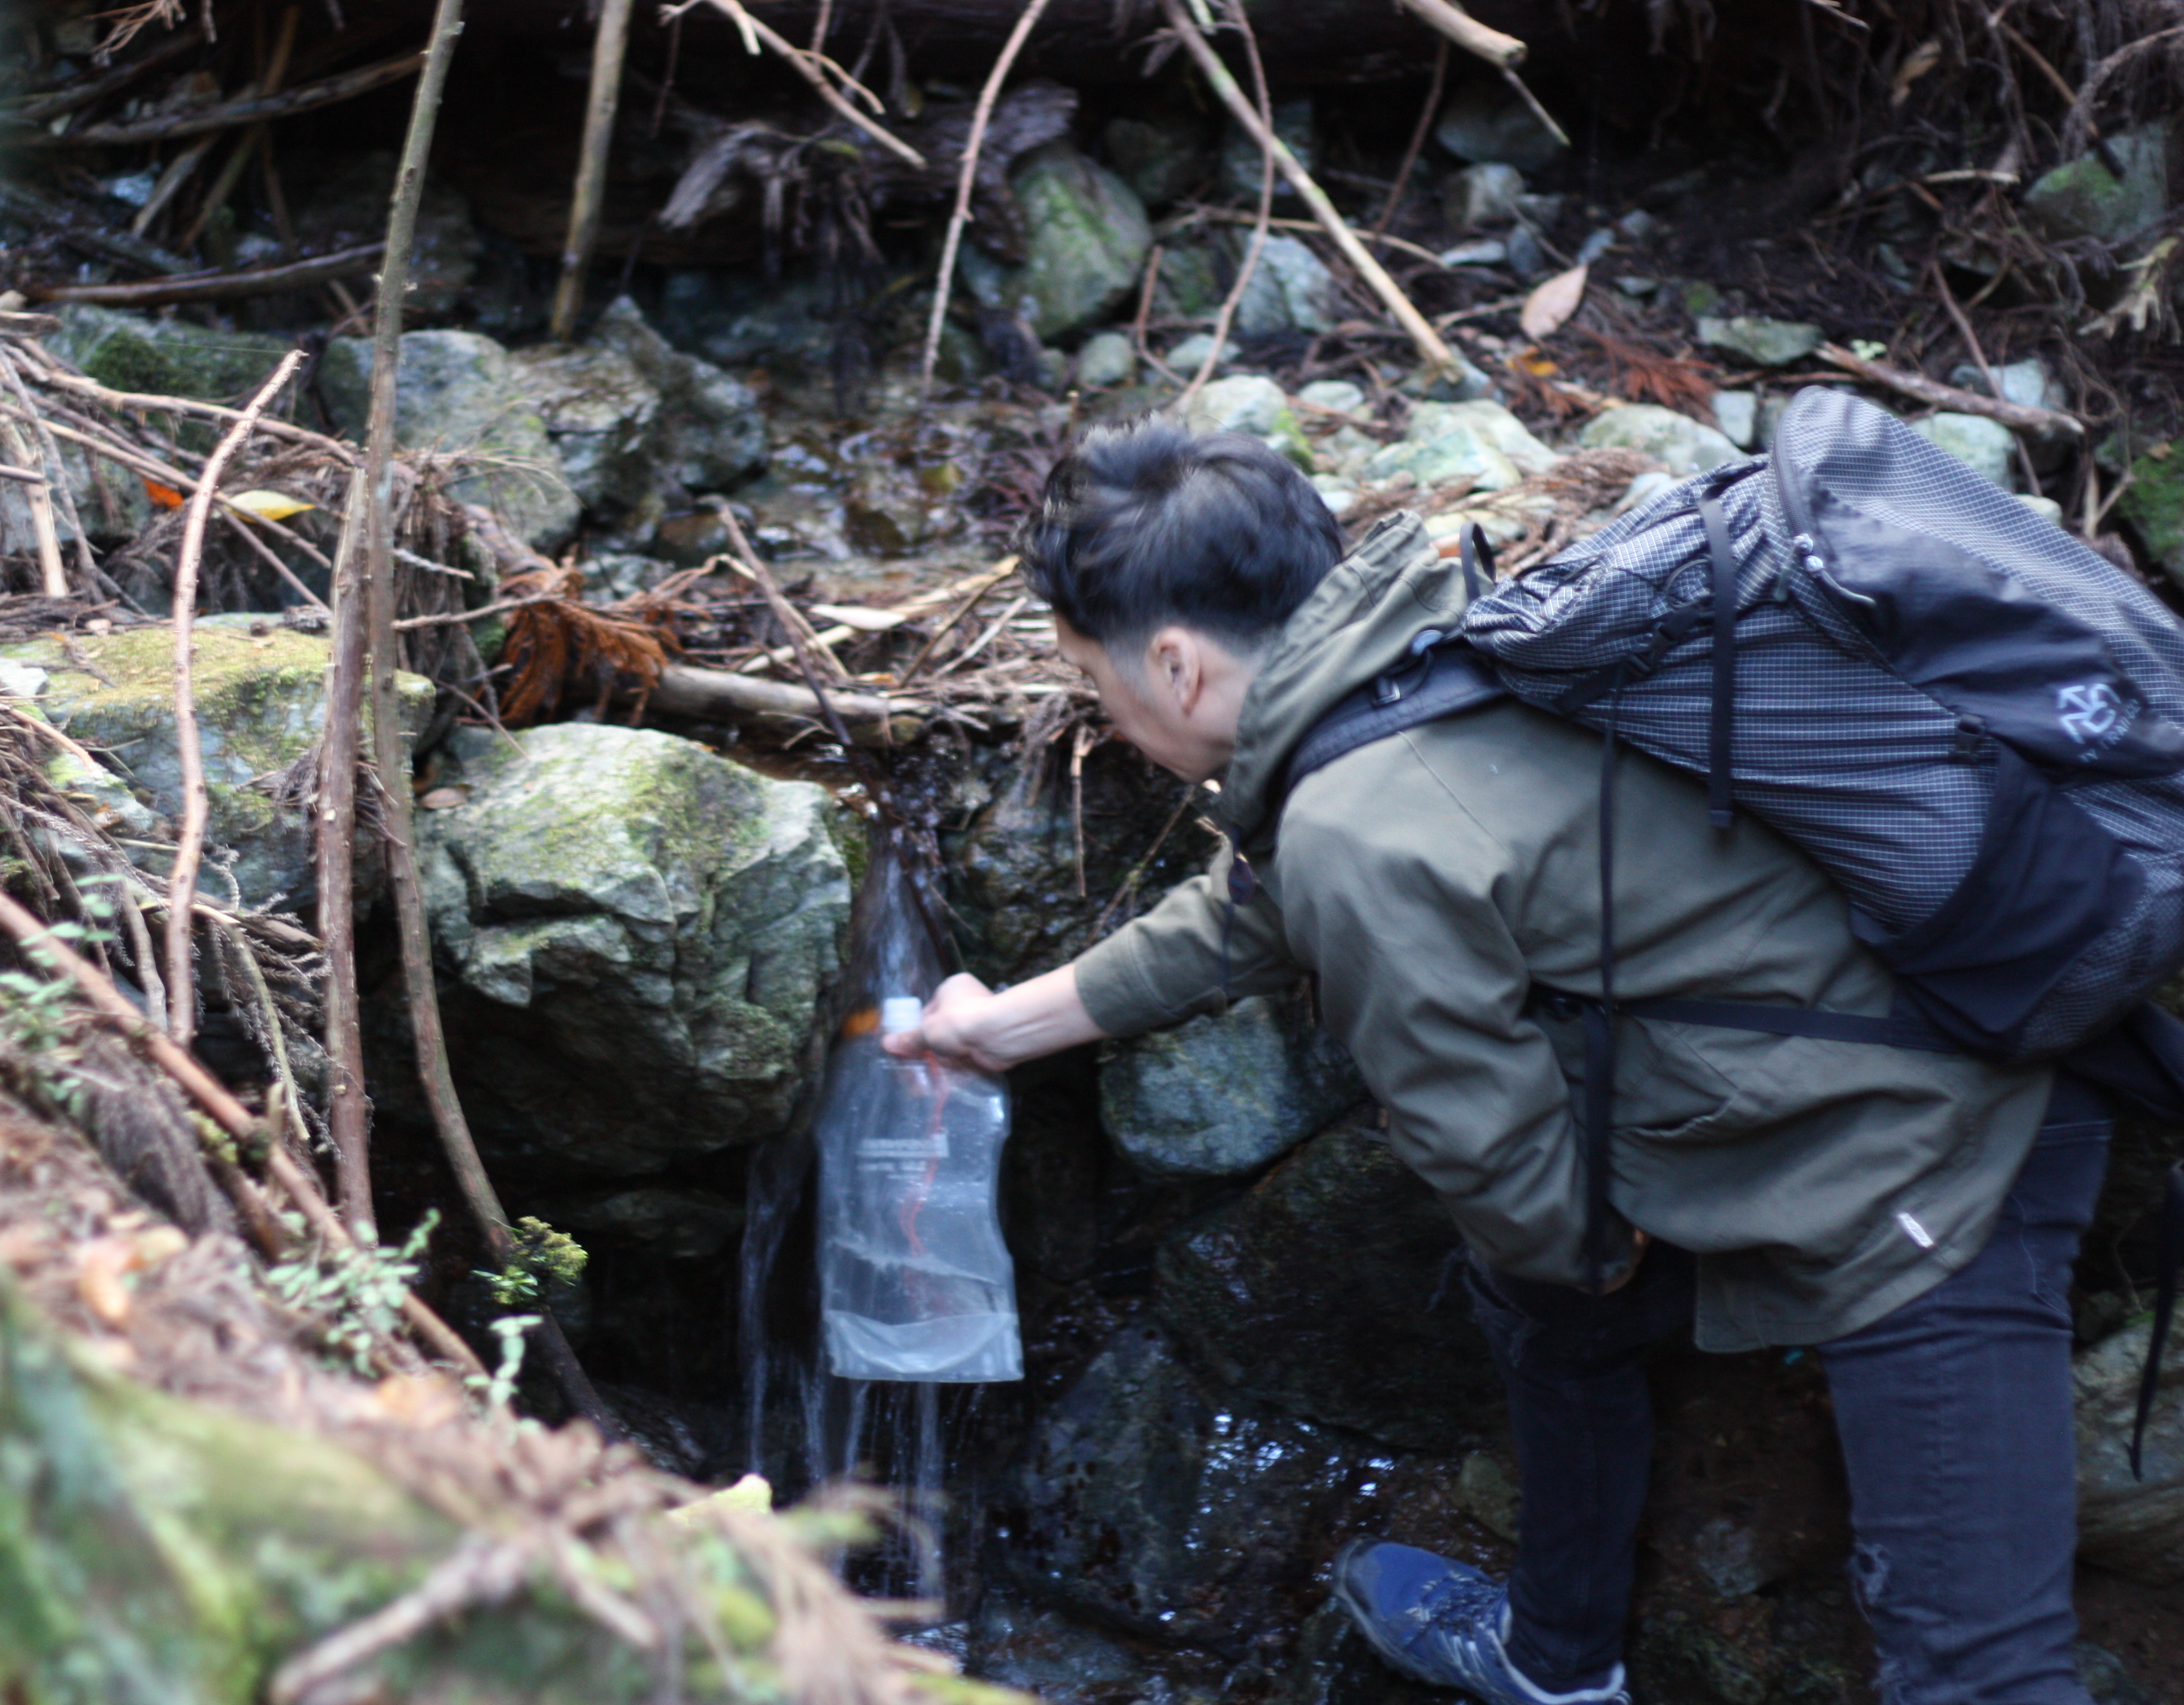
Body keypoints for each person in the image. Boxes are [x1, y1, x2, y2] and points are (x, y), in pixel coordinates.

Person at [885, 418, 2113, 1705]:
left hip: (1936, 1160)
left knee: (1977, 1662)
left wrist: (1587, 1255)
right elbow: (1263, 905)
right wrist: (1006, 1025)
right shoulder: (1442, 642)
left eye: (1094, 680)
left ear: (1178, 665)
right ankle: (1559, 1656)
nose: (1103, 710)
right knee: (1543, 1301)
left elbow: (1484, 1143)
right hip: (1867, 1057)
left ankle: (1568, 1652)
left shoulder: (1359, 823)